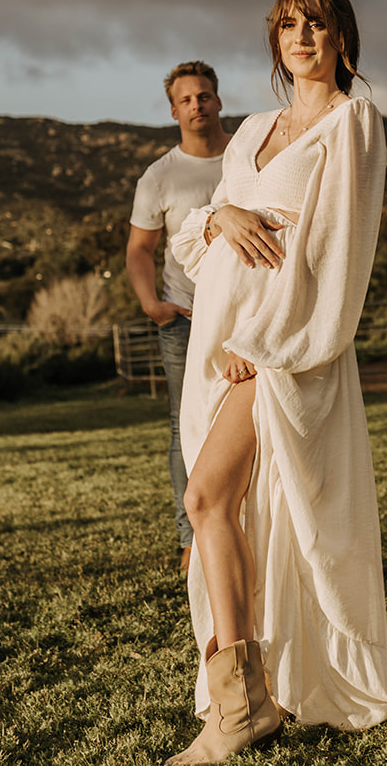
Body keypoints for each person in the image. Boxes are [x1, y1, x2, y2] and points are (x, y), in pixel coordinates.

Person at [163, 0, 387, 764]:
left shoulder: (353, 123)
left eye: (316, 24)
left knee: (204, 494)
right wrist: (219, 213)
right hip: (221, 341)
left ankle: (239, 708)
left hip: (281, 350)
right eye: (289, 25)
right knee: (226, 506)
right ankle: (246, 694)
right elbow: (202, 232)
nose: (302, 37)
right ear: (275, 41)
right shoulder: (254, 125)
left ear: (342, 39)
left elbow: (337, 253)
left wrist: (267, 343)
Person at [127, 62, 231, 575]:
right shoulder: (160, 176)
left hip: (243, 315)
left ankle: (253, 527)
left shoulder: (247, 158)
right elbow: (139, 250)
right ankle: (190, 536)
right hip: (184, 318)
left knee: (257, 418)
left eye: (205, 95)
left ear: (218, 101)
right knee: (184, 424)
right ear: (174, 111)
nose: (197, 105)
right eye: (187, 99)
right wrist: (152, 304)